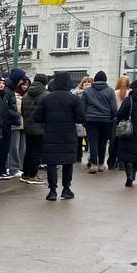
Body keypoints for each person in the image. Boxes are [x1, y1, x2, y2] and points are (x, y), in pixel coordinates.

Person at [34, 71, 85, 201]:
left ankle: (52, 191)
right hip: (68, 134)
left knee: (52, 163)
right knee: (68, 162)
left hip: (51, 133)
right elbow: (81, 118)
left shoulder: (46, 98)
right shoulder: (74, 98)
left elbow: (37, 117)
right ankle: (66, 189)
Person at [81, 71, 118, 173]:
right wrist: (113, 118)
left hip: (91, 120)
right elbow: (114, 107)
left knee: (92, 142)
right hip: (106, 120)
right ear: (105, 80)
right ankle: (101, 164)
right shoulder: (110, 91)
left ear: (95, 80)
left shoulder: (87, 91)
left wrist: (84, 119)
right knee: (103, 142)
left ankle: (93, 164)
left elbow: (83, 107)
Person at [20, 74, 49, 184]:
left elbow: (22, 111)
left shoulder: (26, 95)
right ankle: (33, 174)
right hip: (40, 128)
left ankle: (25, 173)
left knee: (29, 150)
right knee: (37, 152)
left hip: (28, 126)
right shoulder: (46, 95)